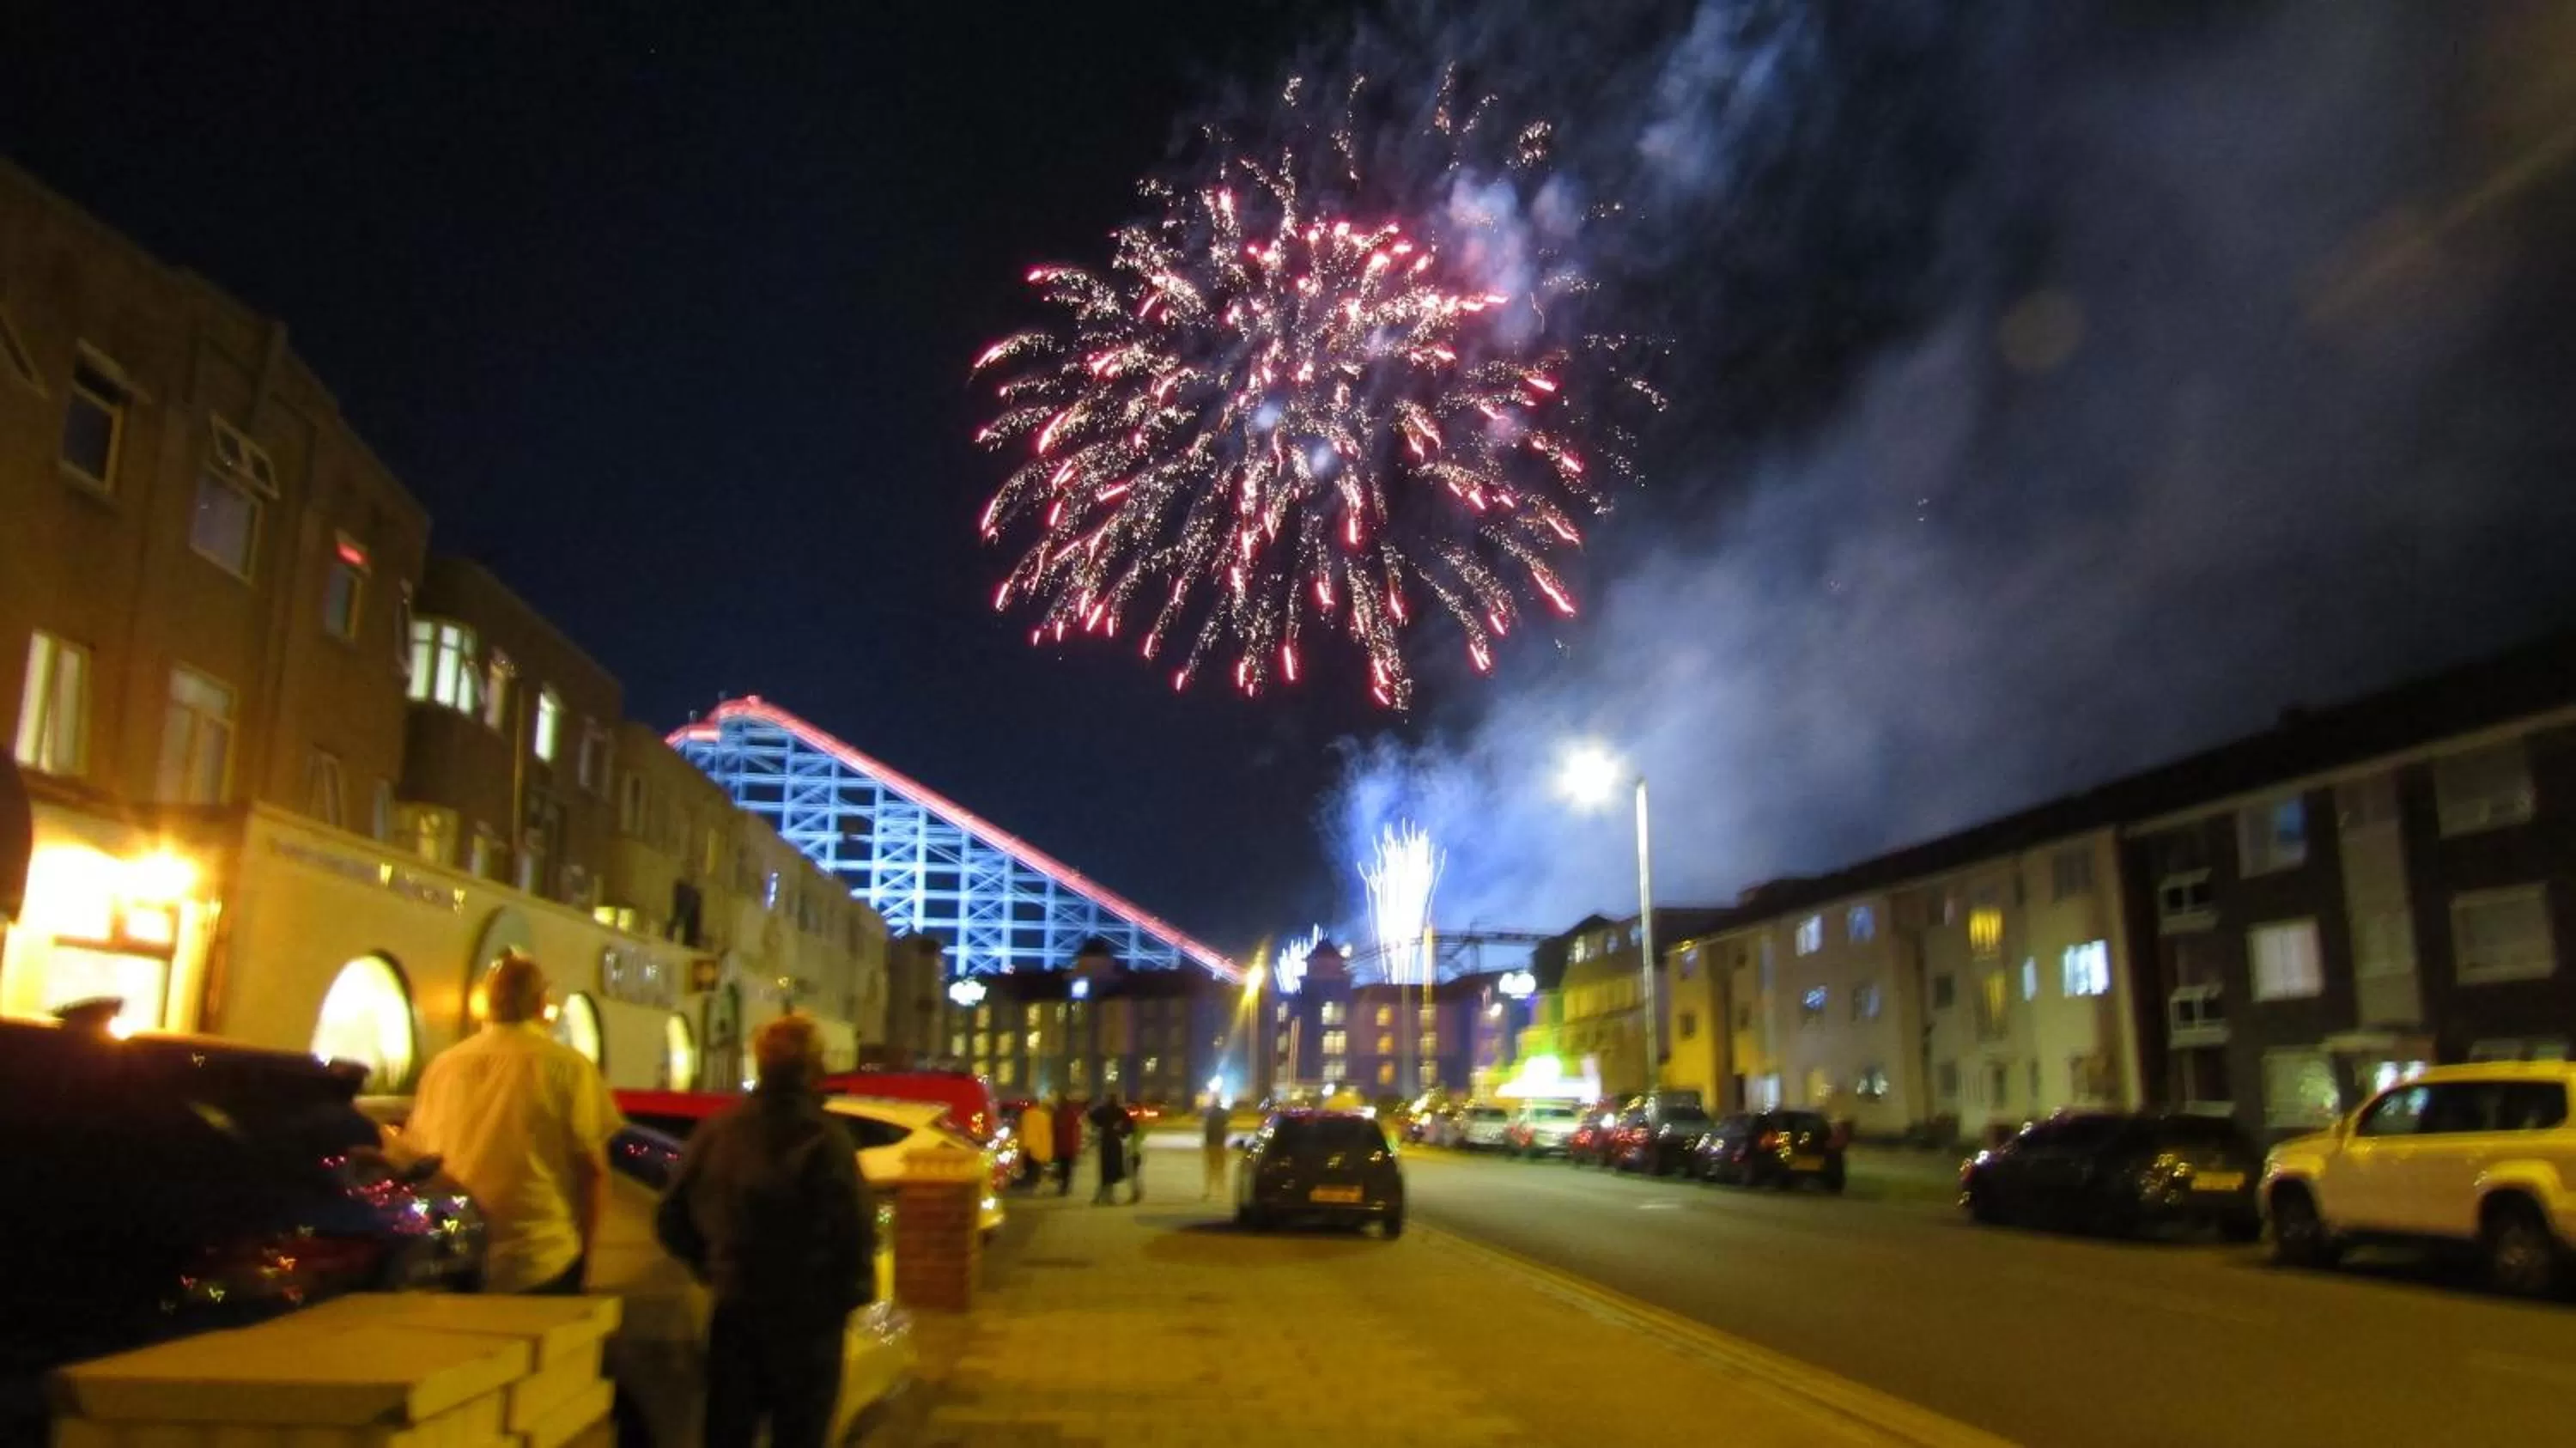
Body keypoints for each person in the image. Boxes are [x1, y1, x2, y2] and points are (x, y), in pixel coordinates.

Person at [654, 1015, 872, 1448]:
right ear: (813, 1068)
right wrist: (847, 1297)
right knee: (800, 1434)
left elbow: (671, 1218)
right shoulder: (826, 1140)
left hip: (737, 1311)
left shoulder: (719, 1132)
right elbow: (854, 1232)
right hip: (808, 1321)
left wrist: (713, 1266)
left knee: (729, 1432)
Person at [406, 952, 621, 1295]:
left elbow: (419, 1159)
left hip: (458, 1259)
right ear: (541, 1003)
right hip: (541, 1259)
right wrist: (585, 1258)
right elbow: (593, 1172)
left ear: (488, 1005)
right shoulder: (569, 1068)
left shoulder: (443, 1067)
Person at [1087, 1092, 1130, 1205]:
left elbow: (1091, 1116)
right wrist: (1122, 1132)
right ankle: (1107, 1197)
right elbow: (1130, 1123)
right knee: (1112, 1170)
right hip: (1115, 1142)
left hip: (1105, 1141)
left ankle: (1101, 1196)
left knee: (1105, 1170)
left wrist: (1098, 1126)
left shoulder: (1102, 1110)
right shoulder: (1119, 1111)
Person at [1018, 1098, 1054, 1191]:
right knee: (1036, 1167)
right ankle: (1034, 1184)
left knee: (1029, 1167)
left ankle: (1029, 1184)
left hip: (1028, 1145)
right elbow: (1047, 1133)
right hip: (1040, 1147)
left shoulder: (1026, 1115)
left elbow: (1024, 1131)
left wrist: (1023, 1144)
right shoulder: (1045, 1116)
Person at [1050, 1093, 1083, 1196]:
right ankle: (1065, 1186)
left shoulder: (1057, 1114)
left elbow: (1053, 1130)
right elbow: (1077, 1130)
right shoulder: (1072, 1114)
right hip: (1069, 1146)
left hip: (1060, 1145)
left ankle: (1063, 1187)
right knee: (1067, 1168)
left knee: (1062, 1167)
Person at [1201, 1098, 1233, 1201]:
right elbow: (1227, 1129)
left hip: (1211, 1145)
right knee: (1221, 1169)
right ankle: (1221, 1192)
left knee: (1210, 1169)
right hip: (1220, 1145)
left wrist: (1206, 1144)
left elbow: (1206, 1131)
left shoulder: (1209, 1115)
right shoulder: (1224, 1114)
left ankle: (1208, 1191)